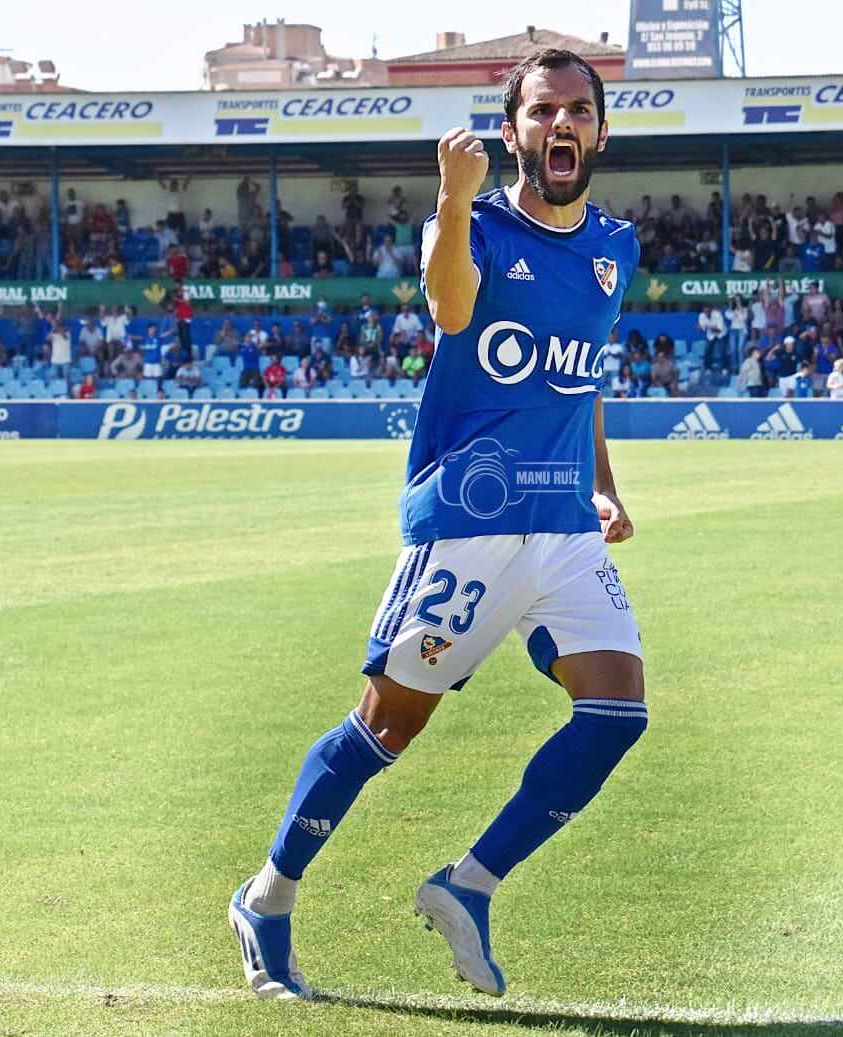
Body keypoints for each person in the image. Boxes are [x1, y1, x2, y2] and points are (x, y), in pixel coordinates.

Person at [230, 49, 646, 1004]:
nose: (562, 126)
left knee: (618, 709)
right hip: (468, 519)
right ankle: (268, 895)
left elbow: (581, 383)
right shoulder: (474, 223)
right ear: (514, 133)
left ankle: (470, 883)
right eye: (542, 111)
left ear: (600, 131)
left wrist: (604, 484)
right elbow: (452, 307)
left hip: (563, 528)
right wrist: (455, 202)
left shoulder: (614, 248)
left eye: (578, 111)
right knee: (386, 727)